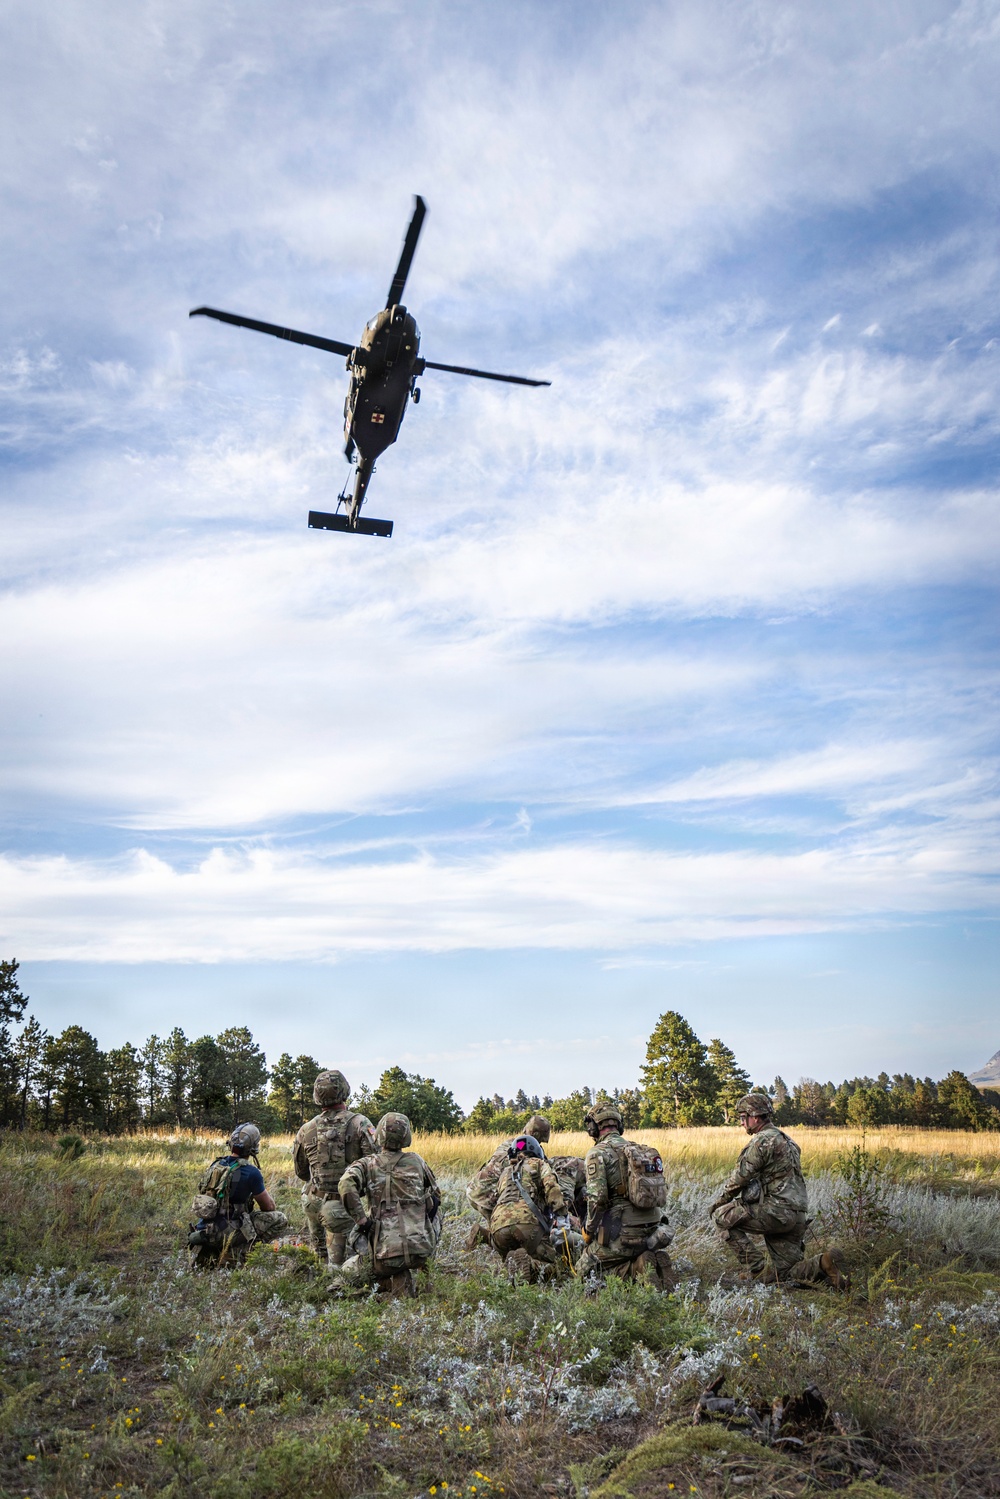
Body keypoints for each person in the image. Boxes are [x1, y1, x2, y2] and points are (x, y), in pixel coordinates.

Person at [710, 1093, 849, 1290]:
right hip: (797, 1215)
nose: (741, 1123)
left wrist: (719, 1202)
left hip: (775, 1213)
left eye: (743, 1117)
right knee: (784, 1274)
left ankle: (756, 1269)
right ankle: (823, 1263)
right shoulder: (790, 1141)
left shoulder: (762, 1141)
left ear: (755, 1117)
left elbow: (740, 1178)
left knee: (721, 1217)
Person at [336, 1112, 441, 1297]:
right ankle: (424, 1275)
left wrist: (362, 1221)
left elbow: (345, 1184)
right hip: (420, 1252)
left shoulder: (366, 1164)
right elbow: (435, 1199)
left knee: (345, 1272)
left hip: (383, 1257)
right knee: (438, 1213)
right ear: (406, 1136)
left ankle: (384, 1281)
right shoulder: (417, 1161)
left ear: (379, 1136)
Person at [577, 1102, 675, 1290]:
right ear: (619, 1125)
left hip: (623, 1234)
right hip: (654, 1230)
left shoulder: (596, 1153)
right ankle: (646, 1259)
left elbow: (598, 1200)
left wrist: (588, 1232)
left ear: (593, 1127)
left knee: (583, 1272)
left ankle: (636, 1269)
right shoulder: (641, 1150)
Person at [293, 1069, 377, 1268]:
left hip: (312, 1200)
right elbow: (376, 1166)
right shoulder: (360, 1123)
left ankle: (316, 1284)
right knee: (342, 1267)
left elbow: (301, 1171)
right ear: (345, 1091)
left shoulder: (307, 1128)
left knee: (320, 1256)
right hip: (341, 1206)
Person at [188, 1122, 288, 1269]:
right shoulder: (251, 1172)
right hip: (226, 1232)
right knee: (280, 1219)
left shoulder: (216, 1165)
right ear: (253, 1147)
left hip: (205, 1229)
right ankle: (242, 1251)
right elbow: (269, 1207)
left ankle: (215, 1252)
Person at [487, 1134, 573, 1282]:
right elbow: (552, 1188)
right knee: (558, 1267)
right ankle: (532, 1266)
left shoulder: (505, 1172)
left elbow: (493, 1199)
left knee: (514, 1264)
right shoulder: (538, 1163)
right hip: (526, 1225)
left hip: (497, 1228)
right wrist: (562, 1217)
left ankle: (506, 1269)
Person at [465, 1113, 552, 1246]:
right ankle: (508, 1259)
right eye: (540, 1140)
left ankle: (483, 1236)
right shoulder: (527, 1150)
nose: (540, 1144)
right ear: (535, 1135)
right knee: (510, 1227)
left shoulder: (511, 1143)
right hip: (489, 1194)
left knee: (504, 1229)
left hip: (475, 1189)